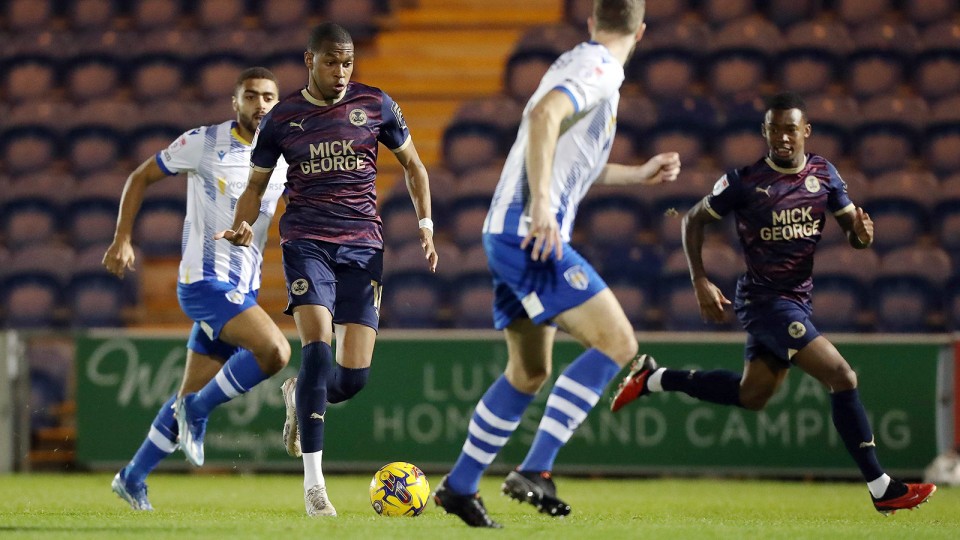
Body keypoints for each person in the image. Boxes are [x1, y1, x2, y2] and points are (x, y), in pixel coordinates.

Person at [610, 91, 937, 515]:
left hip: (797, 301)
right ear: (765, 133)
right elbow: (692, 218)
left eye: (790, 128)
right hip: (764, 301)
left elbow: (855, 236)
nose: (783, 137)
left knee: (753, 396)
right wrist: (700, 280)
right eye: (774, 129)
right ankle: (881, 486)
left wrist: (863, 235)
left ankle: (656, 378)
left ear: (806, 131)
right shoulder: (745, 181)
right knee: (842, 375)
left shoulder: (825, 174)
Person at [433, 0, 681, 528]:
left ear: (592, 22)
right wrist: (542, 203)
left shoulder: (578, 62)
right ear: (641, 33)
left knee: (529, 372)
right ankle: (536, 469)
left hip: (508, 232)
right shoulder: (600, 68)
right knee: (618, 343)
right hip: (530, 233)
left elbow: (570, 158)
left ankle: (459, 487)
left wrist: (637, 176)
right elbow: (545, 117)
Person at [217, 22, 437, 517]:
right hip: (306, 243)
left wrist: (425, 223)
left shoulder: (376, 104)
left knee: (352, 380)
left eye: (348, 62)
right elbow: (255, 187)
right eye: (332, 62)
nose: (341, 73)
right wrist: (242, 225)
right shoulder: (283, 118)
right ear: (309, 60)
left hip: (363, 248)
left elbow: (414, 166)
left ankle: (300, 394)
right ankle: (315, 487)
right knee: (317, 348)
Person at [103, 67, 292, 511]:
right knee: (275, 353)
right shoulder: (202, 143)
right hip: (204, 284)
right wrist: (122, 238)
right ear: (235, 102)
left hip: (241, 290)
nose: (260, 105)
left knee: (187, 393)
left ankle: (132, 476)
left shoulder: (282, 159)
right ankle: (200, 411)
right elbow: (139, 177)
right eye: (251, 96)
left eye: (268, 97)